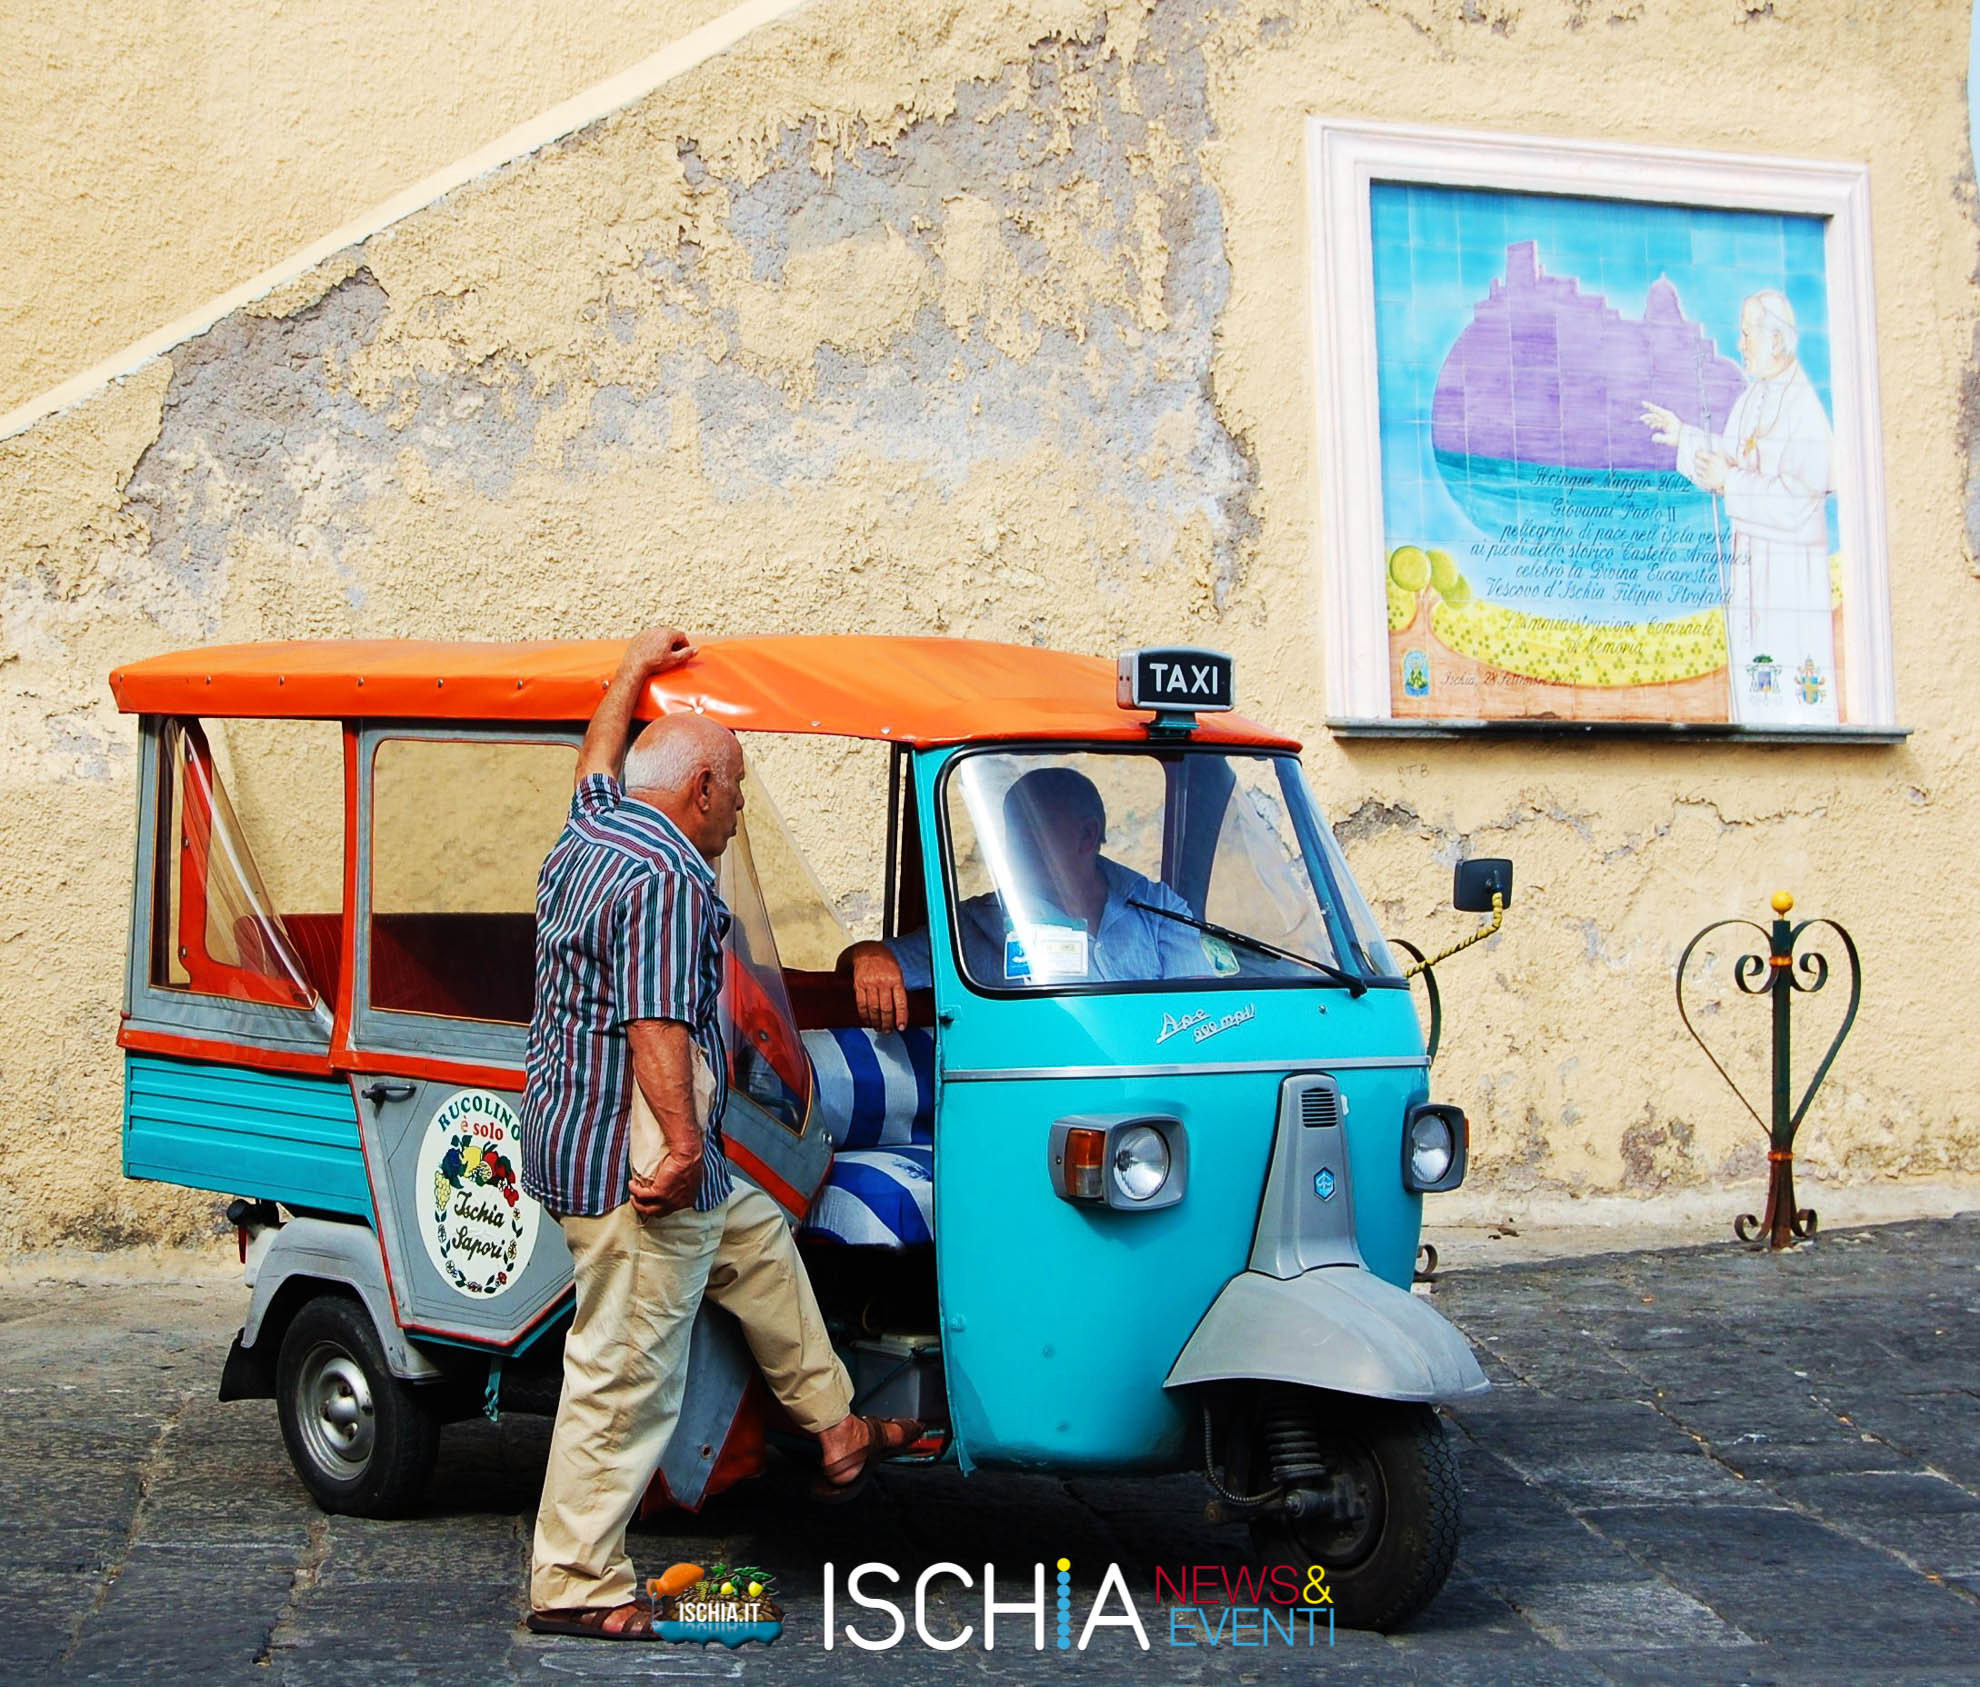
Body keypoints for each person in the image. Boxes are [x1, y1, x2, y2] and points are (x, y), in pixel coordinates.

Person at [520, 628, 920, 1642]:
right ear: (700, 786)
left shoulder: (596, 826)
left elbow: (596, 757)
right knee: (624, 1371)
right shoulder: (672, 878)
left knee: (757, 1245)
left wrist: (627, 677)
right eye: (736, 788)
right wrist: (688, 1146)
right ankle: (576, 1580)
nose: (740, 807)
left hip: (583, 1136)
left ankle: (835, 1431)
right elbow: (656, 1025)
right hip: (639, 1161)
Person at [839, 765, 1214, 1032]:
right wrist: (869, 956)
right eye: (1010, 831)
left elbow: (1198, 1019)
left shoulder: (1161, 911)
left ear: (1087, 836)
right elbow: (875, 961)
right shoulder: (979, 923)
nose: (1010, 847)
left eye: (1029, 830)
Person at [1641, 290, 1840, 727]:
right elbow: (1729, 457)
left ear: (1775, 341)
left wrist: (1729, 482)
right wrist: (1685, 436)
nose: (1739, 344)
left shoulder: (1805, 410)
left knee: (1789, 691)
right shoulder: (1755, 398)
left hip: (1788, 574)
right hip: (1752, 561)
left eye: (1747, 334)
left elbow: (1797, 501)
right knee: (1753, 687)